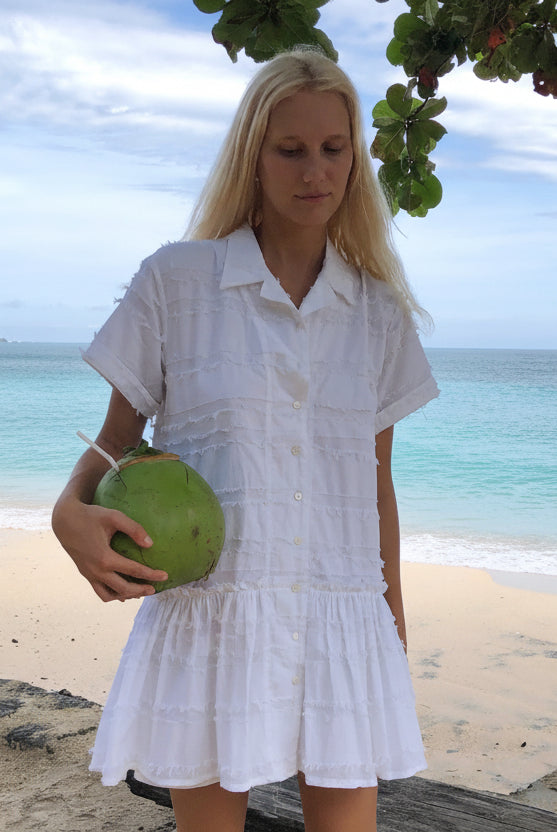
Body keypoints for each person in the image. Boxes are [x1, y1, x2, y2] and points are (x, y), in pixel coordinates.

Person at [52, 47, 439, 832]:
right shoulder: (176, 283)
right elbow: (114, 445)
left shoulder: (377, 314)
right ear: (252, 156)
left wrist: (391, 626)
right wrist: (67, 517)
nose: (313, 172)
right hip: (213, 613)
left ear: (355, 161)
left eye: (333, 150)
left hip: (342, 611)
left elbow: (376, 486)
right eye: (289, 149)